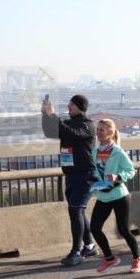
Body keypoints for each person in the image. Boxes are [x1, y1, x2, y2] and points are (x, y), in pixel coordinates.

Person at [41, 94, 98, 266]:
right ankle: (89, 246)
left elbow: (70, 132)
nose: (68, 107)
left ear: (80, 106)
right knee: (78, 210)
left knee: (75, 211)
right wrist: (45, 115)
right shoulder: (69, 122)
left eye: (71, 105)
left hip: (85, 174)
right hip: (71, 173)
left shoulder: (87, 125)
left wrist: (53, 116)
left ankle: (76, 252)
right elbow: (50, 132)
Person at [89, 119, 140, 274]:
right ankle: (109, 258)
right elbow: (96, 172)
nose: (98, 132)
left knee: (123, 230)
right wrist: (92, 180)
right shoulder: (95, 152)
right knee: (94, 228)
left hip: (119, 195)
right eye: (98, 129)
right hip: (103, 196)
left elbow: (131, 171)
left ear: (110, 133)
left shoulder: (118, 152)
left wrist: (117, 176)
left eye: (101, 130)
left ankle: (138, 259)